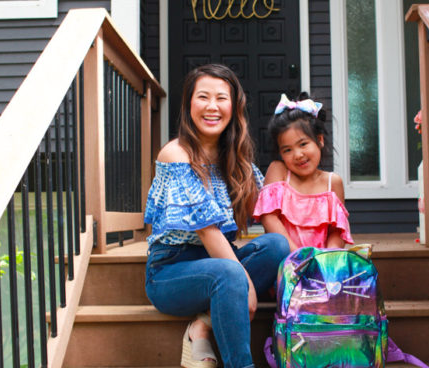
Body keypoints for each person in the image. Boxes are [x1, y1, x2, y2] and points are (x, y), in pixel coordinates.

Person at [144, 64, 289, 368]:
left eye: (221, 98)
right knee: (229, 272)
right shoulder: (176, 154)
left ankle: (203, 325)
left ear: (234, 107)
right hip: (171, 271)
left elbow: (267, 208)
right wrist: (247, 284)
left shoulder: (236, 156)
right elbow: (207, 231)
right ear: (189, 104)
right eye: (203, 97)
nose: (212, 106)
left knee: (276, 245)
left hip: (220, 263)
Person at [253, 93, 354, 252]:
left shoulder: (332, 182)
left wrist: (327, 258)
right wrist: (299, 257)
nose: (298, 155)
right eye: (287, 150)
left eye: (303, 144)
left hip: (320, 263)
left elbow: (337, 231)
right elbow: (269, 218)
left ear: (319, 140)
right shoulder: (279, 171)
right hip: (284, 259)